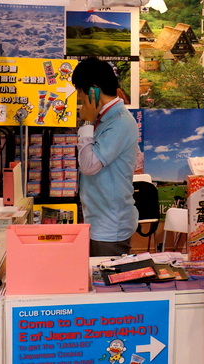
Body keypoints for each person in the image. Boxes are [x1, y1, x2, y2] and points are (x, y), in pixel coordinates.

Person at [71, 57, 139, 257]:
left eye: (80, 92)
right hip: (98, 219)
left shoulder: (120, 121)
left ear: (94, 90)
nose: (79, 98)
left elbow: (89, 165)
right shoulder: (104, 118)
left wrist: (86, 123)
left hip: (110, 225)